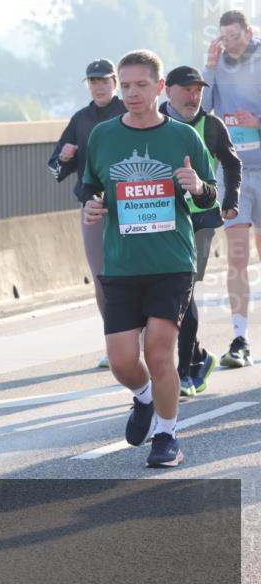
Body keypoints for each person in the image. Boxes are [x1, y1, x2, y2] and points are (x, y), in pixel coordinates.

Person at [83, 50, 218, 468]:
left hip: (172, 261)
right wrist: (92, 205)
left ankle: (166, 436)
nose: (132, 93)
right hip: (122, 263)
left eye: (141, 85)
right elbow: (91, 186)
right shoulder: (103, 136)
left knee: (159, 353)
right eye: (125, 86)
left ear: (160, 88)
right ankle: (143, 397)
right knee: (123, 361)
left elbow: (209, 195)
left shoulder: (183, 136)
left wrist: (197, 186)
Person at [160, 65, 241, 396]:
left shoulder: (211, 125)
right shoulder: (154, 124)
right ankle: (198, 356)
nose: (194, 97)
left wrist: (230, 199)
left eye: (198, 91)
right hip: (162, 218)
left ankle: (185, 370)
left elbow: (232, 162)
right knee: (167, 294)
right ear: (169, 91)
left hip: (202, 218)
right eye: (187, 90)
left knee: (185, 290)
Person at [49, 59, 127, 368]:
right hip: (93, 205)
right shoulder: (80, 119)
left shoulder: (128, 111)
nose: (98, 86)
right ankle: (116, 344)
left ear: (114, 83)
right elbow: (55, 166)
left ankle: (143, 336)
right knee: (102, 277)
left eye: (104, 81)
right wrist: (65, 156)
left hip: (131, 203)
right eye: (93, 82)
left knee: (136, 272)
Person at [202, 9, 260, 368]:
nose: (230, 44)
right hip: (232, 171)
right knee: (237, 257)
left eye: (235, 37)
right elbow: (202, 108)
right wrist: (209, 67)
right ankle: (240, 338)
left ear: (249, 33)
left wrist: (258, 122)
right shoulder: (217, 64)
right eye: (224, 38)